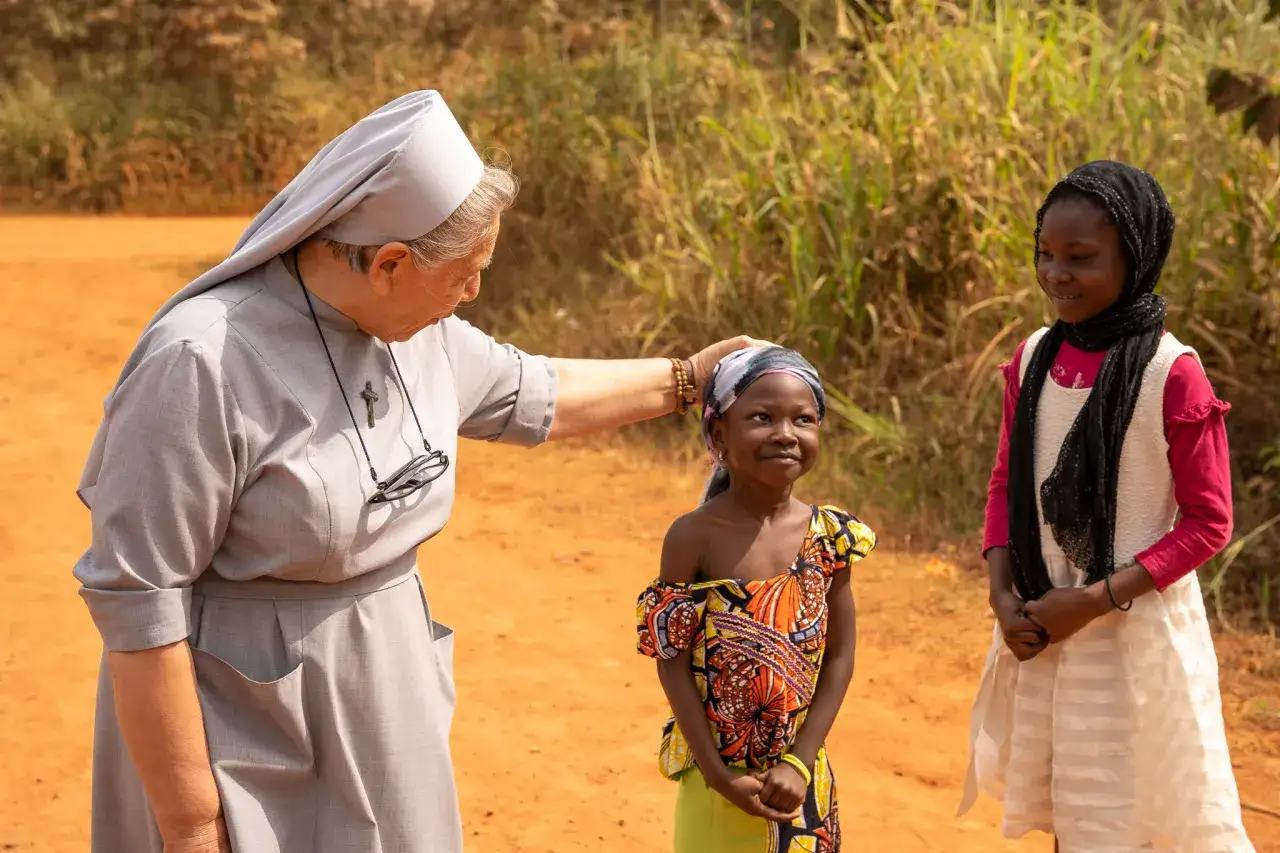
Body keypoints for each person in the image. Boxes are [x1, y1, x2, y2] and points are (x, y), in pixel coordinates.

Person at [72, 90, 764, 853]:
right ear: (391, 263)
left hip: (385, 702)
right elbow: (139, 599)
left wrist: (687, 378)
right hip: (243, 722)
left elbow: (537, 391)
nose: (474, 293)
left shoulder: (420, 334)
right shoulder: (200, 360)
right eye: (467, 273)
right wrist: (192, 823)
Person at [957, 160, 1255, 852]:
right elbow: (1006, 483)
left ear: (1136, 256)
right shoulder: (1033, 359)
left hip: (1132, 630)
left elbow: (1209, 522)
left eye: (1080, 257)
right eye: (1045, 254)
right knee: (1076, 812)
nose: (1055, 273)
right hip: (1045, 620)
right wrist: (1002, 594)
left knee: (1132, 819)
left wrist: (1094, 599)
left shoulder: (1171, 373)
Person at [635, 346, 877, 853]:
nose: (786, 433)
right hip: (716, 778)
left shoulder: (831, 537)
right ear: (719, 434)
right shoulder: (693, 537)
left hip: (801, 780)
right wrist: (718, 775)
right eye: (762, 417)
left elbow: (840, 657)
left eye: (803, 419)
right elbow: (671, 662)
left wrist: (800, 762)